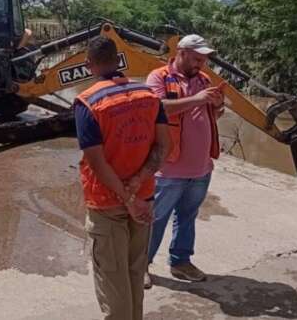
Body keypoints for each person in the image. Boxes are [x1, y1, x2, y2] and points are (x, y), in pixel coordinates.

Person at [75, 36, 172, 320]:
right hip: (144, 200)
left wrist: (127, 198)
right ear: (118, 61)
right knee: (133, 274)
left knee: (113, 282)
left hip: (108, 204)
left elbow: (97, 163)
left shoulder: (88, 102)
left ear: (88, 65)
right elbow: (164, 146)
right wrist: (138, 184)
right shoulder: (149, 96)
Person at [144, 34, 225, 287]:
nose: (200, 64)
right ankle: (141, 266)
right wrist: (197, 100)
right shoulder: (158, 77)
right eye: (196, 58)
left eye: (203, 60)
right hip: (169, 168)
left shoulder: (204, 80)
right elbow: (157, 108)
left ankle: (180, 262)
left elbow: (212, 115)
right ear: (181, 52)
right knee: (155, 219)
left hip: (201, 168)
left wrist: (217, 106)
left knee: (188, 217)